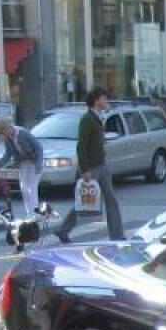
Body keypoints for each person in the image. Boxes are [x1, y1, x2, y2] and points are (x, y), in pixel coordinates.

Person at [58, 88, 123, 242]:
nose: (106, 101)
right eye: (104, 98)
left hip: (102, 164)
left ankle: (117, 235)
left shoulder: (99, 117)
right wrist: (85, 169)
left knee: (111, 199)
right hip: (92, 167)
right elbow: (81, 146)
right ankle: (63, 230)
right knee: (84, 202)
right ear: (96, 101)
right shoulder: (87, 119)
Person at [0, 117, 43, 218]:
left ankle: (35, 214)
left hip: (34, 162)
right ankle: (29, 213)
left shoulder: (23, 133)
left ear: (8, 127)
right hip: (24, 163)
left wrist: (38, 164)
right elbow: (8, 154)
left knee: (31, 188)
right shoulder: (8, 138)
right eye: (1, 133)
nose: (3, 135)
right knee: (24, 188)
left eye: (3, 132)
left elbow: (38, 148)